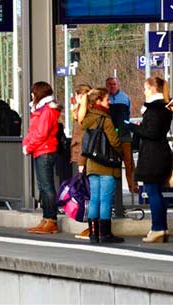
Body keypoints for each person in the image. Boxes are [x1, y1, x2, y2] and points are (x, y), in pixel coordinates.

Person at [130, 76, 173, 243]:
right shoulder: (165, 107)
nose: (144, 91)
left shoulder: (154, 109)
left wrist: (133, 127)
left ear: (154, 89)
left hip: (153, 156)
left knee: (153, 192)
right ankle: (162, 227)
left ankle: (157, 228)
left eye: (146, 88)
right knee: (157, 193)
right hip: (159, 153)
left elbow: (152, 133)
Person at [80, 87, 124, 244]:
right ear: (98, 101)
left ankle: (93, 234)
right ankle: (105, 234)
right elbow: (114, 142)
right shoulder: (105, 119)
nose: (109, 102)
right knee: (105, 200)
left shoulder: (87, 118)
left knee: (94, 199)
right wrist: (123, 153)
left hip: (92, 164)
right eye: (107, 99)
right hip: (106, 165)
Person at [22, 81, 61, 234]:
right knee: (43, 187)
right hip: (41, 150)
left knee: (47, 187)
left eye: (33, 92)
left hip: (44, 150)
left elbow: (41, 133)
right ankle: (46, 218)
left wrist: (28, 146)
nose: (31, 95)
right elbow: (35, 131)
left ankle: (51, 220)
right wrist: (28, 144)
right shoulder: (43, 109)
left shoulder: (46, 111)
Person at [106, 77, 136, 194]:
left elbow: (128, 114)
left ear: (118, 85)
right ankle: (113, 191)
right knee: (111, 163)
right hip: (110, 135)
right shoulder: (105, 98)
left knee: (129, 162)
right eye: (109, 85)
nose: (112, 87)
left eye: (114, 84)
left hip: (124, 134)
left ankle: (133, 186)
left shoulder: (125, 97)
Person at [70, 83, 91, 239]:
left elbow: (84, 138)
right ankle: (91, 225)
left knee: (89, 192)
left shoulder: (85, 113)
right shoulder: (79, 112)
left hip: (84, 156)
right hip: (80, 155)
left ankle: (92, 225)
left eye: (77, 95)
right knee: (87, 191)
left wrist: (81, 162)